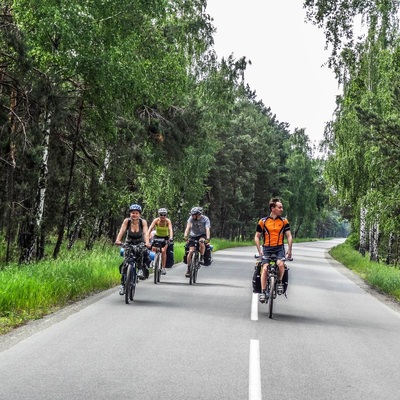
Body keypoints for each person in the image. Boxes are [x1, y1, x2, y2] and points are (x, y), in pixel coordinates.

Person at [254, 198, 293, 303]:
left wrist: (289, 250)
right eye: (279, 207)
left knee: (281, 265)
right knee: (265, 269)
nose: (282, 209)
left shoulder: (284, 221)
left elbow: (289, 236)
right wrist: (259, 251)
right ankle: (263, 292)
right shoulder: (263, 221)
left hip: (279, 248)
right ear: (273, 208)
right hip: (267, 248)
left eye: (281, 207)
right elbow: (257, 236)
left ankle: (279, 282)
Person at [115, 203, 151, 294]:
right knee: (126, 264)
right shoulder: (127, 221)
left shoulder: (143, 222)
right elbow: (122, 230)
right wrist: (118, 240)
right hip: (129, 242)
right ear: (130, 214)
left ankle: (140, 270)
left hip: (140, 242)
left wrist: (147, 243)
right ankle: (123, 285)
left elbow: (146, 233)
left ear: (139, 214)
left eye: (136, 213)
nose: (134, 215)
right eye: (132, 213)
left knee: (142, 252)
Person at [183, 206, 211, 277]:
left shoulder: (205, 219)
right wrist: (185, 236)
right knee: (190, 251)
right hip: (193, 235)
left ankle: (201, 257)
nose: (192, 216)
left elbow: (207, 229)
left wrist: (208, 238)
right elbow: (188, 227)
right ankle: (189, 269)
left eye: (193, 214)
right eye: (192, 214)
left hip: (202, 235)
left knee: (201, 242)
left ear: (198, 214)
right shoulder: (191, 218)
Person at [148, 208, 173, 275]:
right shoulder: (156, 220)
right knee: (153, 248)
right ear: (159, 215)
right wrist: (147, 236)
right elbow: (150, 228)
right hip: (157, 236)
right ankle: (152, 261)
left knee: (163, 251)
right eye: (161, 215)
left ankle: (163, 268)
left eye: (164, 215)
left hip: (165, 237)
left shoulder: (167, 221)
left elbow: (170, 229)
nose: (163, 216)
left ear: (166, 215)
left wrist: (171, 238)